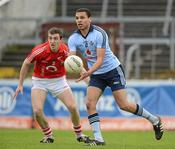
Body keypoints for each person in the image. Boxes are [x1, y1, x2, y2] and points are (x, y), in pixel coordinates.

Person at [68, 8, 164, 146]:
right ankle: (99, 139)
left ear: (90, 19)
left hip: (112, 70)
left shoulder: (99, 33)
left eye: (82, 17)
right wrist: (75, 68)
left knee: (124, 105)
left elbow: (100, 60)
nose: (79, 21)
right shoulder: (73, 38)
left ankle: (154, 120)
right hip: (96, 74)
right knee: (89, 103)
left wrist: (87, 73)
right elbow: (71, 60)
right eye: (77, 18)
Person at [13, 27, 90, 144]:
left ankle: (79, 134)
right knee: (37, 111)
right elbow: (26, 63)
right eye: (50, 38)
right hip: (40, 81)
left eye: (55, 38)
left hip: (59, 81)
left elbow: (77, 65)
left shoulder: (65, 51)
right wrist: (20, 84)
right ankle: (48, 135)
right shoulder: (40, 50)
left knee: (73, 107)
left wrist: (88, 81)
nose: (52, 41)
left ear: (60, 40)